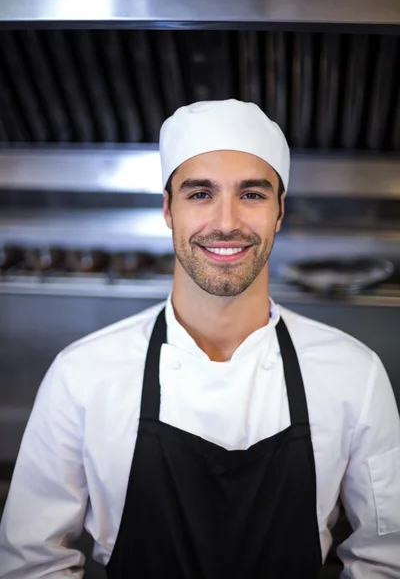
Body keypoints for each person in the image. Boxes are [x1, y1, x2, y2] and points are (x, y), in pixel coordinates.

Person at [1, 99, 399, 579]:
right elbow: (31, 565)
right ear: (169, 210)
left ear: (279, 212)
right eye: (200, 194)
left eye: (252, 194)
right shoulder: (82, 374)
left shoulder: (354, 374)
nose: (226, 221)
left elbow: (386, 558)